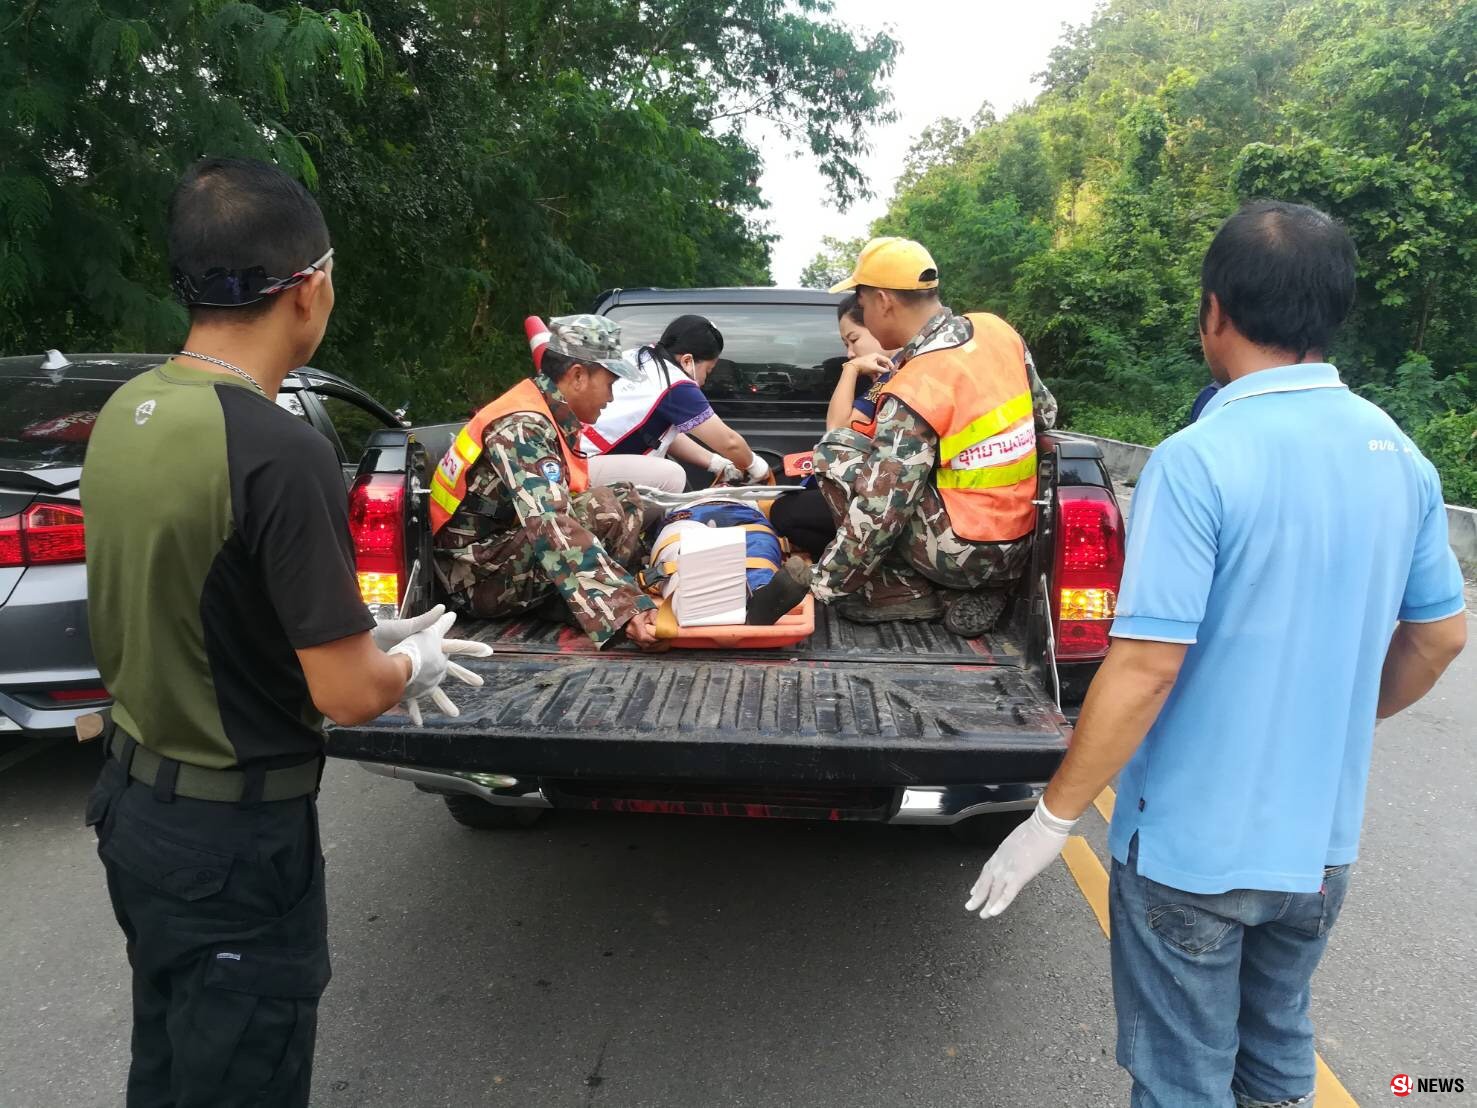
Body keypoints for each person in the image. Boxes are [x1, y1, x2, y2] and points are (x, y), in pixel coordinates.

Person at [963, 201, 1467, 1107]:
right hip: (1318, 851)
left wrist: (1051, 821)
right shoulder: (1402, 458)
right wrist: (1342, 713)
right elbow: (1439, 634)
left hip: (1192, 856)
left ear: (1213, 312)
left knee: (1180, 1077)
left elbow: (1147, 665)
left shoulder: (1199, 459)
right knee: (1275, 1047)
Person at [81, 156, 490, 1107]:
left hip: (136, 813)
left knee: (171, 1063)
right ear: (308, 288)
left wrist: (351, 625)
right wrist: (401, 660)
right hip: (233, 838)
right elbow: (345, 694)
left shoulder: (126, 414)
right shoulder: (277, 445)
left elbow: (199, 591)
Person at [750, 236, 1057, 635]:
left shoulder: (917, 383)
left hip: (963, 552)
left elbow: (881, 511)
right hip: (1020, 546)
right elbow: (1045, 414)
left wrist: (822, 583)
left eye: (862, 306)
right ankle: (970, 589)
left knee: (837, 449)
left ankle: (900, 591)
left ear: (883, 300)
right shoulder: (997, 331)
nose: (864, 314)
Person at [431, 315, 662, 648]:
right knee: (606, 510)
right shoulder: (523, 426)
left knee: (623, 497)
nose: (611, 397)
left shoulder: (542, 411)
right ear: (578, 376)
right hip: (476, 580)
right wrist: (625, 609)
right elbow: (552, 525)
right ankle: (593, 607)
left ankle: (581, 603)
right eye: (610, 383)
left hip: (493, 559)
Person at [770, 293, 898, 559]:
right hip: (872, 487)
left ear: (877, 321)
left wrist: (850, 370)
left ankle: (847, 566)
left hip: (881, 497)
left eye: (854, 340)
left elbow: (836, 431)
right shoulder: (884, 377)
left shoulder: (897, 375)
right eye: (845, 344)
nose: (850, 352)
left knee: (784, 512)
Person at [582, 313, 771, 489]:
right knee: (672, 476)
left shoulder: (643, 357)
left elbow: (665, 438)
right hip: (582, 465)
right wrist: (756, 466)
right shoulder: (675, 383)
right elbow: (730, 442)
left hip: (579, 456)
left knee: (664, 469)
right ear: (687, 360)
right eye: (708, 370)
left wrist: (717, 463)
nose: (705, 379)